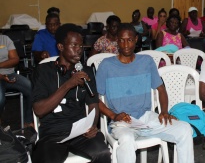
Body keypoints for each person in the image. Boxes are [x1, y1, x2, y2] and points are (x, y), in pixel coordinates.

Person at [96, 23, 194, 163]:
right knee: (127, 138)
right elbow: (94, 98)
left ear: (136, 40)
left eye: (129, 39)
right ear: (117, 41)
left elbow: (161, 89)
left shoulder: (146, 61)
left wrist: (164, 111)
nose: (126, 44)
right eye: (122, 40)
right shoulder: (106, 65)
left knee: (184, 129)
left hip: (146, 118)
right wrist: (113, 115)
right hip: (122, 122)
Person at [31, 24, 110, 163]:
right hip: (52, 135)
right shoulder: (43, 71)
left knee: (102, 153)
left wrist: (92, 125)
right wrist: (68, 85)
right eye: (74, 45)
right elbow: (39, 110)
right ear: (61, 47)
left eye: (80, 46)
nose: (79, 50)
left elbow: (93, 104)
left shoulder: (86, 71)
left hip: (81, 132)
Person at [0, 35, 33, 127]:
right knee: (0, 98)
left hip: (10, 74)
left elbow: (15, 59)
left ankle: (28, 120)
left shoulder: (5, 39)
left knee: (30, 87)